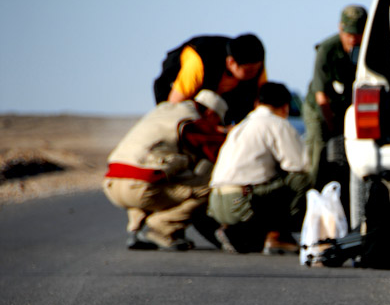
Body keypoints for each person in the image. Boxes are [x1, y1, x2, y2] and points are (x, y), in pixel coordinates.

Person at [103, 90, 228, 250]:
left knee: (166, 177)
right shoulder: (191, 122)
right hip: (140, 187)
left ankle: (135, 229)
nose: (216, 126)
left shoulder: (163, 111)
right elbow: (213, 149)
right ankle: (160, 229)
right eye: (217, 121)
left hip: (111, 184)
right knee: (207, 188)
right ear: (210, 113)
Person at [208, 82, 311, 254]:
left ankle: (243, 233)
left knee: (270, 182)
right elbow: (299, 165)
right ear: (285, 107)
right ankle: (276, 235)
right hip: (239, 202)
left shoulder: (241, 125)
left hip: (216, 202)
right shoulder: (277, 123)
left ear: (257, 103)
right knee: (301, 179)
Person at [302, 5, 367, 191]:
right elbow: (321, 96)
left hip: (346, 109)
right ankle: (313, 196)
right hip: (320, 109)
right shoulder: (327, 50)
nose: (353, 39)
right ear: (340, 28)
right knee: (319, 149)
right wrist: (332, 127)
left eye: (357, 34)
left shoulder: (368, 48)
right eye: (348, 34)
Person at [153, 34, 267, 124]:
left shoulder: (256, 66)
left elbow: (263, 107)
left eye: (257, 69)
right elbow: (173, 105)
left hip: (219, 104)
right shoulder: (198, 65)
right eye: (249, 71)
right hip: (176, 93)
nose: (254, 74)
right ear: (231, 62)